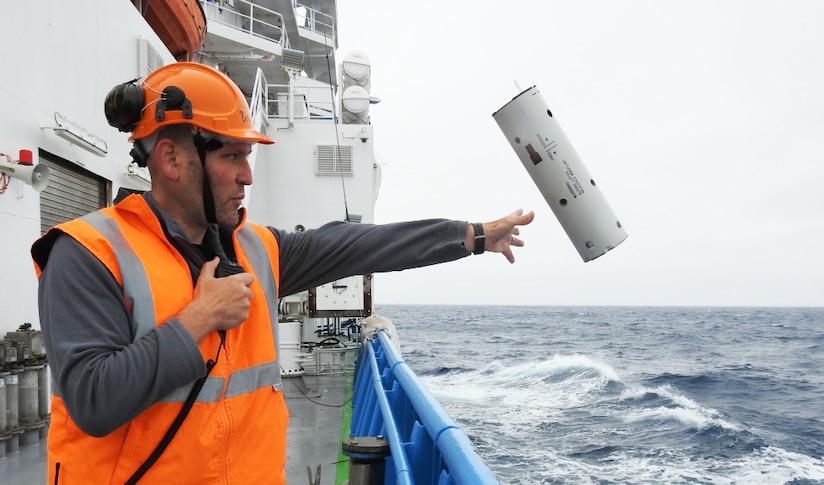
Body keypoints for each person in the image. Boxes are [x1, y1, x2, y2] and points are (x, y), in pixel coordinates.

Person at [31, 62, 534, 484]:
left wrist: (470, 235)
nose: (248, 175)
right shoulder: (88, 253)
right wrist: (199, 318)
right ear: (171, 158)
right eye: (232, 156)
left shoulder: (254, 248)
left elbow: (353, 244)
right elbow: (93, 400)